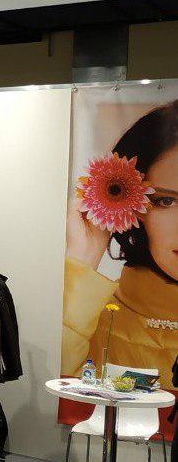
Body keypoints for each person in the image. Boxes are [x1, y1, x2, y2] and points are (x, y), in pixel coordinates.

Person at [63, 100, 178, 391]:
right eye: (166, 201)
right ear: (132, 209)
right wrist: (83, 258)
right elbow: (57, 400)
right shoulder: (93, 321)